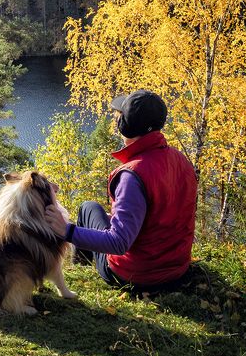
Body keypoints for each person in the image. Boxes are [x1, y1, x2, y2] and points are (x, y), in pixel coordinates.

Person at [44, 89, 197, 292]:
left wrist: (66, 230)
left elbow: (118, 243)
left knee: (88, 208)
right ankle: (81, 267)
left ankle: (80, 268)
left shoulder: (132, 175)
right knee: (99, 214)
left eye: (120, 117)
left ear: (124, 126)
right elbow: (164, 214)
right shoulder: (180, 159)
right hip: (177, 270)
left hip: (136, 276)